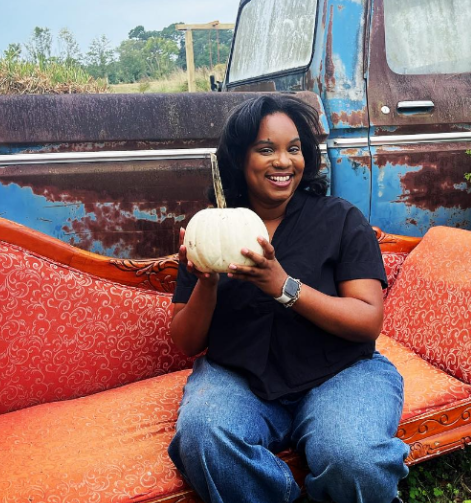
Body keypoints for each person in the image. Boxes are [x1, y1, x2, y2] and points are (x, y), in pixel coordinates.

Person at [168, 94, 409, 503]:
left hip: (342, 372)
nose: (283, 161)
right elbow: (187, 341)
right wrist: (206, 281)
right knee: (205, 436)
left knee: (355, 458)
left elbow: (368, 319)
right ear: (240, 160)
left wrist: (284, 286)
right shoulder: (212, 230)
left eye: (293, 149)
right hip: (239, 378)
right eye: (267, 149)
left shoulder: (339, 218)